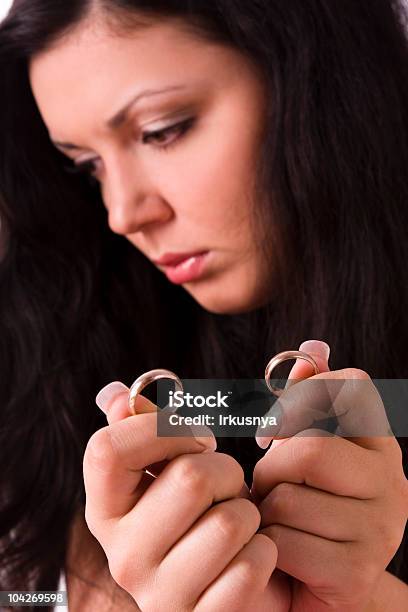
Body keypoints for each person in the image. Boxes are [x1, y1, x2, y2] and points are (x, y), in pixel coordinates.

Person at [0, 1, 407, 610]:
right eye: (87, 167)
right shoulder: (59, 363)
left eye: (163, 130)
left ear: (317, 82)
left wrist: (361, 598)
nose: (124, 214)